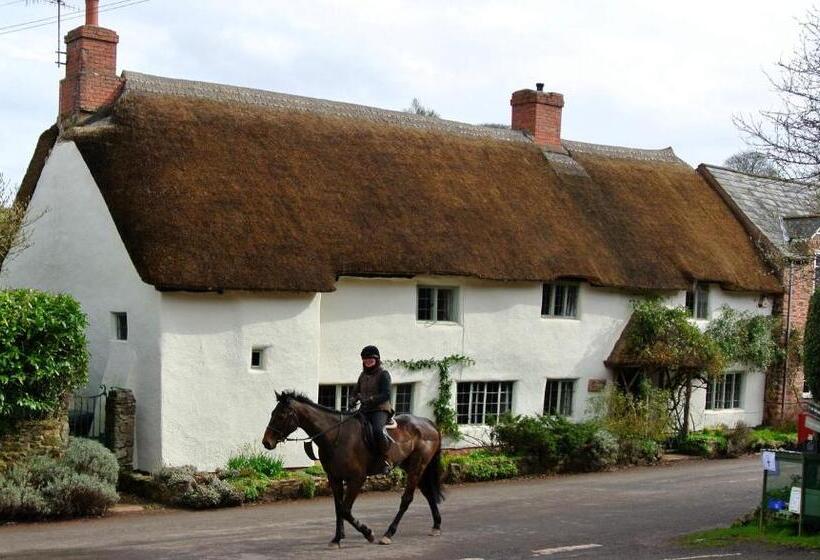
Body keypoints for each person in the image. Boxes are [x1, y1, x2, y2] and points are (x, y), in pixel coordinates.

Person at [350, 345, 393, 474]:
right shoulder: (362, 375)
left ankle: (386, 459)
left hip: (380, 409)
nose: (368, 361)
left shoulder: (384, 374)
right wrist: (352, 399)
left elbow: (386, 394)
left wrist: (371, 399)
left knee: (377, 430)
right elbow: (355, 391)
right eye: (365, 359)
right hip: (365, 409)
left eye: (371, 359)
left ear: (377, 360)